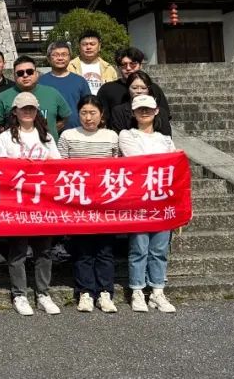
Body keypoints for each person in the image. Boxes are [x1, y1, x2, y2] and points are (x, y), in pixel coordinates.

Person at [0, 92, 61, 316]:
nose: (28, 112)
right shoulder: (5, 138)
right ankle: (19, 294)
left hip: (43, 200)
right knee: (18, 250)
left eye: (31, 108)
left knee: (44, 250)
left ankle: (43, 293)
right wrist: (18, 164)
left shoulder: (46, 136)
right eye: (23, 108)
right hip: (17, 201)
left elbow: (59, 165)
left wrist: (45, 162)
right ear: (15, 111)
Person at [58, 95, 120, 314]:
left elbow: (119, 168)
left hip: (105, 203)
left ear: (101, 114)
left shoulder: (111, 136)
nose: (88, 117)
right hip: (78, 203)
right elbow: (59, 167)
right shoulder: (68, 135)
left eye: (93, 113)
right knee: (83, 250)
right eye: (83, 112)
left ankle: (105, 292)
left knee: (104, 250)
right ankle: (85, 292)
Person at [119, 94, 178, 314]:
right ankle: (137, 290)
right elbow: (137, 160)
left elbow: (174, 166)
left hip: (162, 199)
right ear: (133, 113)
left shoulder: (165, 139)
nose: (144, 112)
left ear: (156, 111)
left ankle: (157, 290)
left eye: (148, 109)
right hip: (139, 198)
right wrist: (161, 162)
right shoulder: (126, 135)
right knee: (139, 247)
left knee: (159, 249)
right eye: (140, 109)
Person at [0, 56, 71, 143]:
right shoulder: (3, 98)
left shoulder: (52, 93)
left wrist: (50, 130)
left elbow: (65, 117)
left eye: (29, 72)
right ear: (14, 76)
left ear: (36, 74)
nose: (25, 75)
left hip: (47, 147)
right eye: (20, 73)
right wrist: (11, 137)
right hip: (16, 148)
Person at [38, 40, 91, 131]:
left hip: (76, 131)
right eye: (55, 55)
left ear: (70, 58)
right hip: (48, 132)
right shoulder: (40, 81)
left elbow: (88, 105)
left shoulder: (80, 81)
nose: (60, 58)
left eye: (64, 54)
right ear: (48, 58)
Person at [108, 70, 172, 135]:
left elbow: (167, 136)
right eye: (134, 88)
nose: (139, 91)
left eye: (143, 88)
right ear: (128, 88)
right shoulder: (118, 111)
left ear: (148, 89)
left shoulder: (161, 112)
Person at [97, 47, 155, 115]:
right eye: (124, 65)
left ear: (140, 65)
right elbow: (101, 116)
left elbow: (162, 115)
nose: (128, 68)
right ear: (118, 67)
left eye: (133, 64)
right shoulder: (107, 89)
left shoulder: (153, 88)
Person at [69, 30, 118, 95]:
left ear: (99, 46)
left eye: (92, 44)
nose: (88, 47)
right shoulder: (69, 67)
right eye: (85, 44)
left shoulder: (109, 69)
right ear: (79, 47)